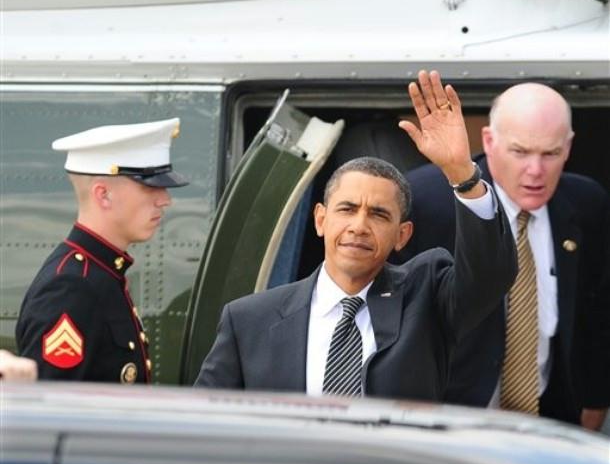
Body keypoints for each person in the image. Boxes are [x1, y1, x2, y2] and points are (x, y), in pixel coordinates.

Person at [195, 71, 517, 401]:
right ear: (320, 220)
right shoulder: (249, 320)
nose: (359, 225)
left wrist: (462, 174)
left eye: (378, 214)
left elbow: (488, 276)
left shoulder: (426, 298)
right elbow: (206, 417)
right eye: (347, 209)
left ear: (402, 235)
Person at [395, 82, 610, 430]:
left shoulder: (587, 204)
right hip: (444, 426)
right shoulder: (424, 201)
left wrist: (596, 401)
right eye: (520, 152)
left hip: (547, 424)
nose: (536, 170)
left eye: (550, 153)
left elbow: (596, 315)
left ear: (568, 147)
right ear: (489, 141)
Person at [16, 118, 188, 384]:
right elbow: (52, 404)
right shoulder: (71, 287)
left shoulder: (100, 274)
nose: (165, 199)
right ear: (103, 194)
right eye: (150, 187)